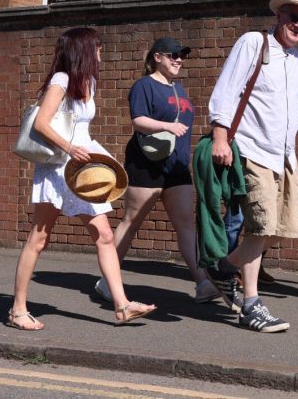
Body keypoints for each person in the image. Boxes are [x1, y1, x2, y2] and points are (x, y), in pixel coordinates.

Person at [9, 27, 156, 330]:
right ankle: (17, 310)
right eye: (97, 48)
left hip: (84, 170)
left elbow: (82, 130)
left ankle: (122, 305)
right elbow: (40, 123)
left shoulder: (87, 81)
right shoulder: (61, 80)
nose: (101, 53)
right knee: (39, 238)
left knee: (103, 235)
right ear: (84, 50)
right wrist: (68, 147)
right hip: (58, 168)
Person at [205, 0, 298, 332]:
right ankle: (251, 303)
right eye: (294, 17)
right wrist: (220, 137)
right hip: (251, 149)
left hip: (283, 156)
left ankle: (222, 268)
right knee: (261, 226)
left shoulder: (296, 60)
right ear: (279, 15)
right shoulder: (253, 44)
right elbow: (226, 90)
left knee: (277, 228)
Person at [93, 37, 220, 305]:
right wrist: (166, 126)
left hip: (176, 167)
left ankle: (203, 283)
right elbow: (137, 120)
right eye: (173, 54)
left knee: (186, 225)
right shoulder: (144, 86)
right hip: (146, 166)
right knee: (132, 222)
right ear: (157, 57)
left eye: (181, 55)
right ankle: (107, 281)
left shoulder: (179, 89)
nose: (178, 59)